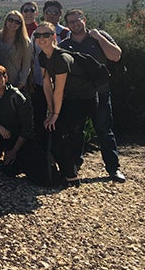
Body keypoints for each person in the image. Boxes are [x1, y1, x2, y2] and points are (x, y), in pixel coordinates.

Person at [61, 9, 126, 183]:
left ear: (84, 19)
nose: (75, 24)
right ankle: (75, 166)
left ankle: (114, 168)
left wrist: (98, 38)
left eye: (78, 20)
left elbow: (116, 55)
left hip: (100, 92)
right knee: (76, 132)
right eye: (71, 22)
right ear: (67, 25)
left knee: (104, 130)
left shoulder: (99, 37)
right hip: (77, 97)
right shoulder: (65, 46)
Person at [36, 22, 96, 187]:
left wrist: (55, 115)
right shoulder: (42, 56)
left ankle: (70, 175)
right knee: (60, 131)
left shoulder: (62, 58)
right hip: (68, 97)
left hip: (83, 98)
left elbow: (58, 90)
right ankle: (69, 169)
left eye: (46, 35)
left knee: (63, 131)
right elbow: (47, 85)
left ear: (54, 36)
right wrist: (51, 111)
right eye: (38, 35)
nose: (41, 39)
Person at [0, 10, 31, 91]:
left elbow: (26, 65)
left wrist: (20, 84)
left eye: (17, 22)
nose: (13, 24)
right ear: (6, 21)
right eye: (10, 20)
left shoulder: (25, 42)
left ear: (21, 25)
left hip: (15, 84)